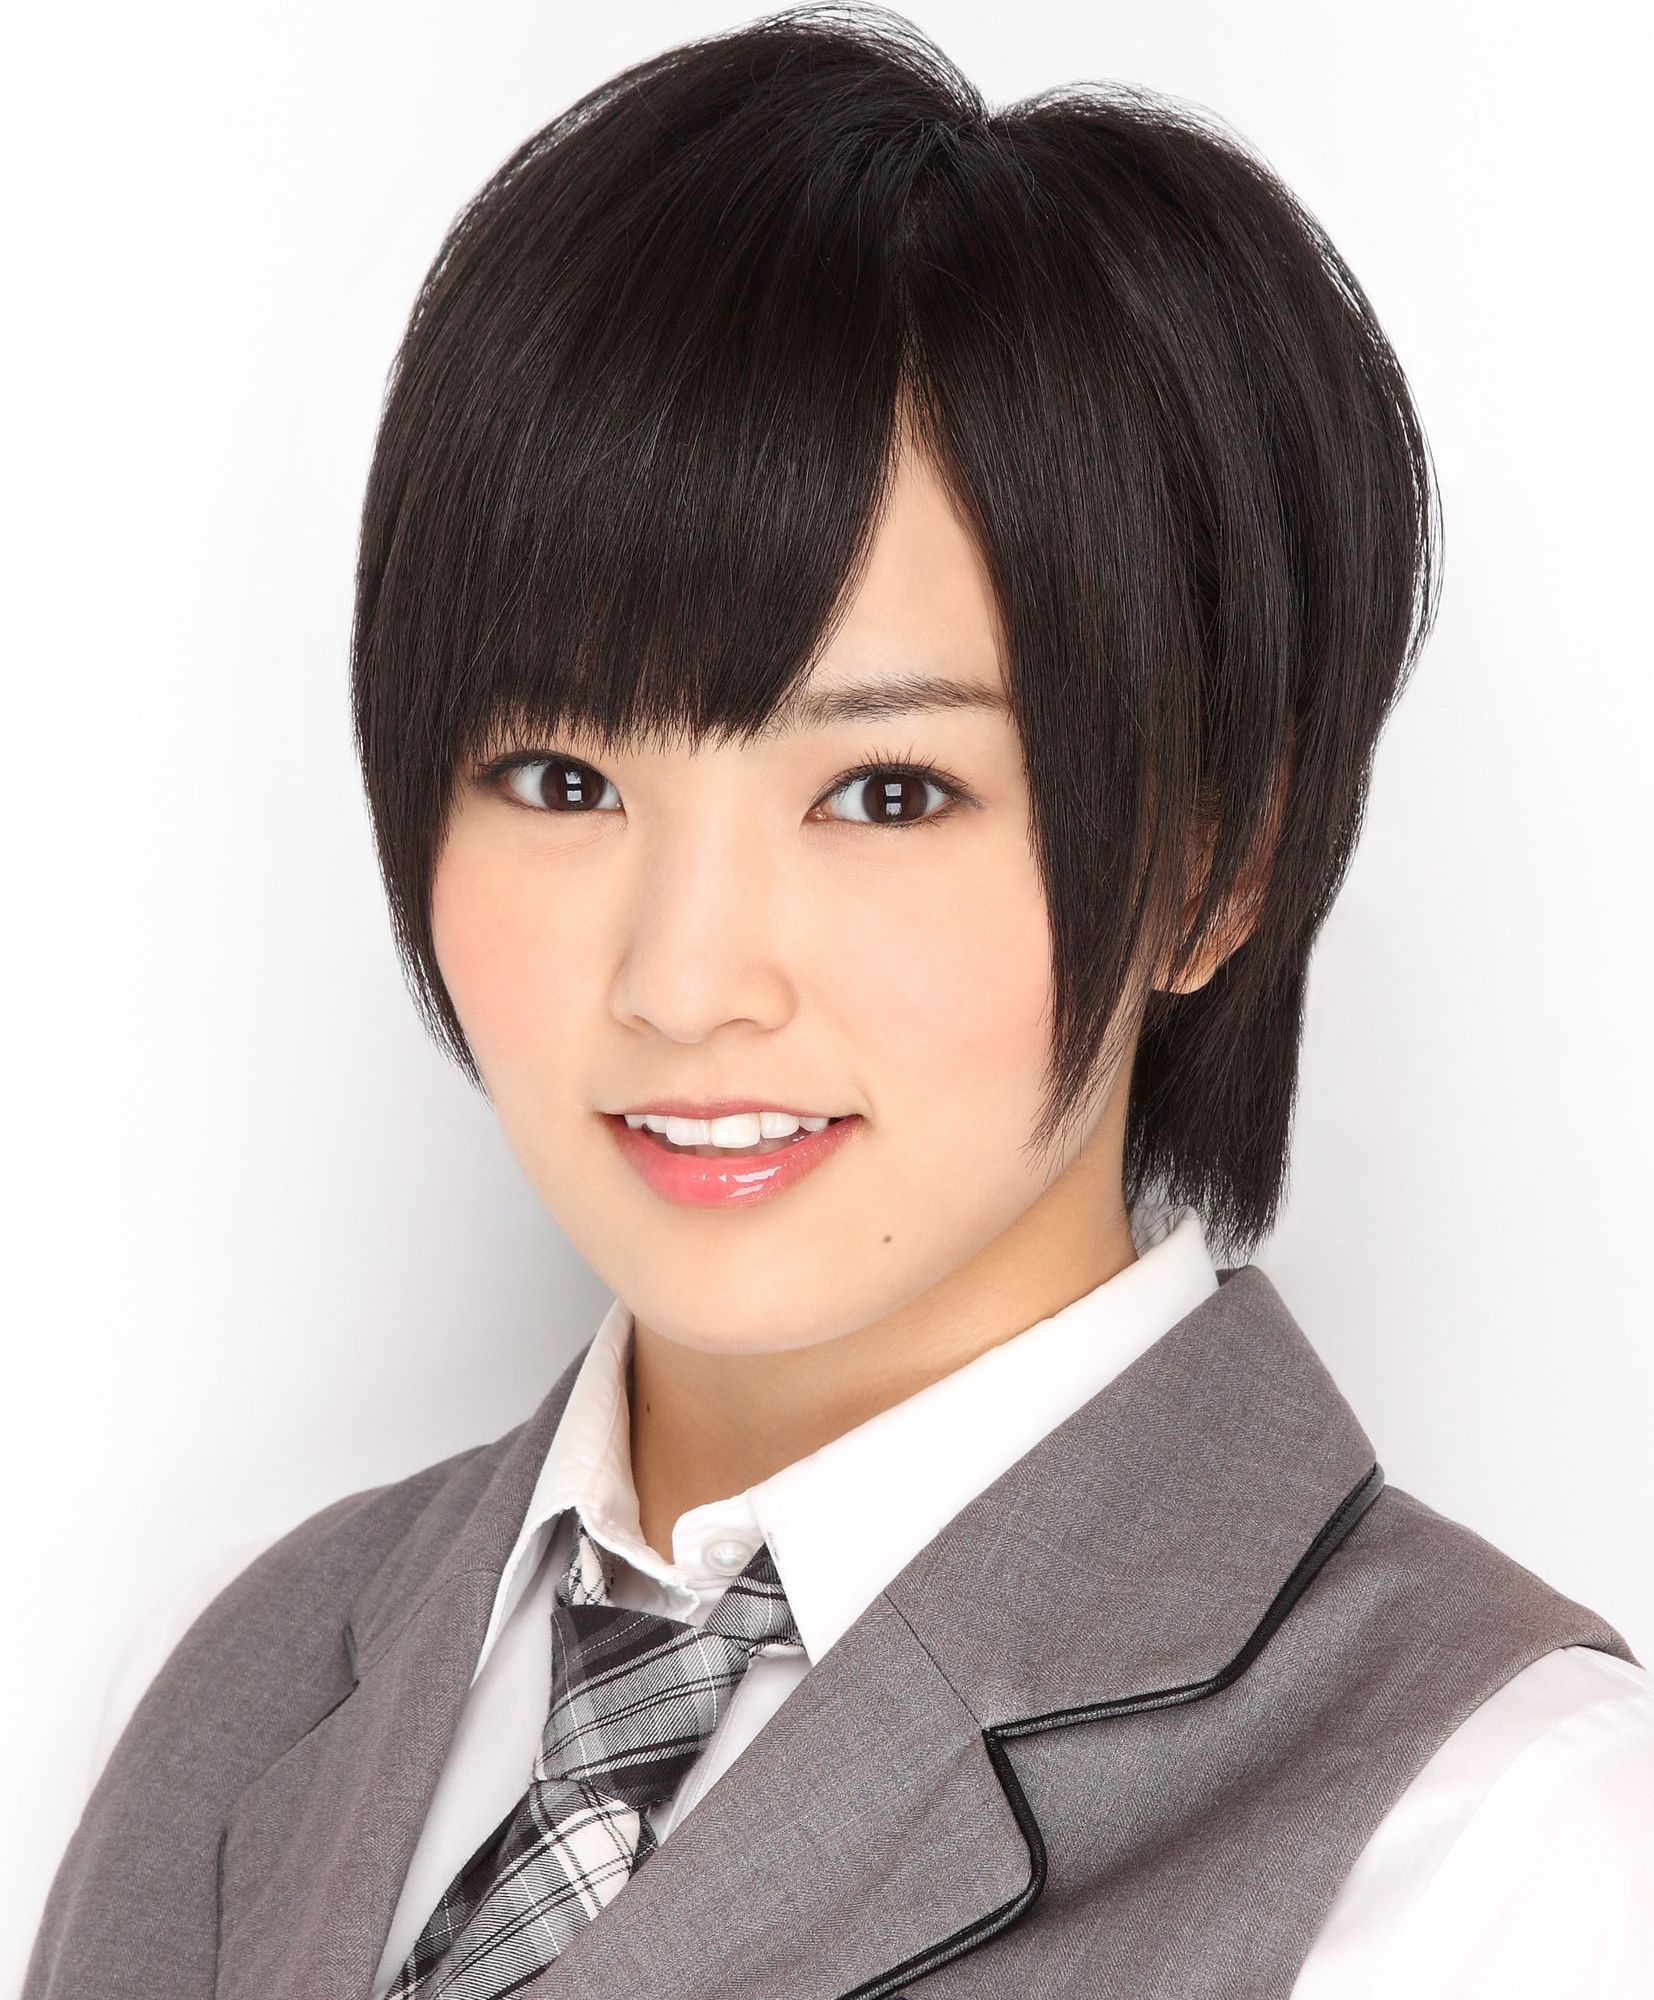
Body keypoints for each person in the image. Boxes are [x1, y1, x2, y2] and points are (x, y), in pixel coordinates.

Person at [25, 7, 1654, 1997]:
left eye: (885, 792)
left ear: (1212, 864)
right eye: (560, 778)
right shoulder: (234, 1683)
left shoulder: (1496, 1846)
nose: (683, 981)